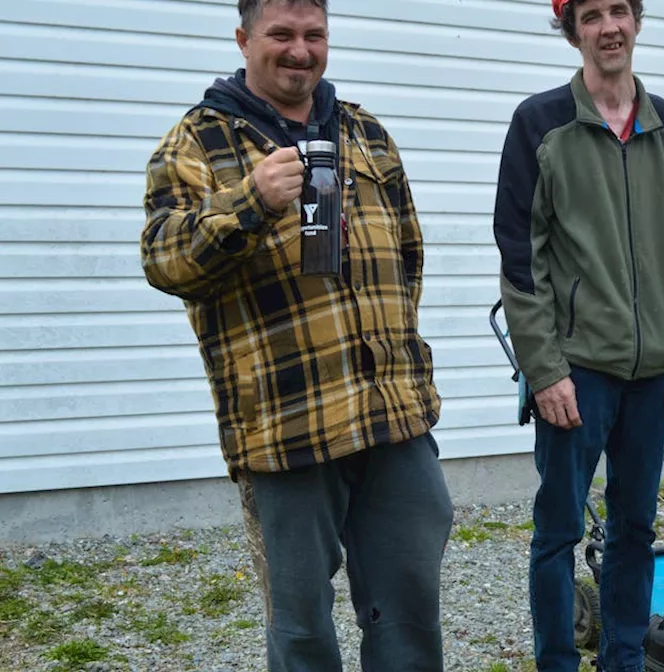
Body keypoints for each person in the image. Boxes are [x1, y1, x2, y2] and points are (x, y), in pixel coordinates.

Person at [139, 1, 453, 670]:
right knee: (303, 630)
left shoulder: (363, 131)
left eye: (314, 35)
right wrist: (250, 201)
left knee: (410, 617)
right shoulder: (196, 142)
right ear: (244, 39)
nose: (299, 50)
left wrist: (400, 356)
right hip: (287, 427)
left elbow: (408, 256)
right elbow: (165, 262)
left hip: (393, 418)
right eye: (281, 34)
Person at [492, 0, 664, 669]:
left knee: (635, 531)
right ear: (573, 30)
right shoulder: (540, 124)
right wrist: (544, 369)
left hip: (650, 374)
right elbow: (519, 258)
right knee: (557, 534)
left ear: (637, 21)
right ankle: (557, 661)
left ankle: (624, 659)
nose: (608, 25)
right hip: (576, 372)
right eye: (591, 14)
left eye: (620, 9)